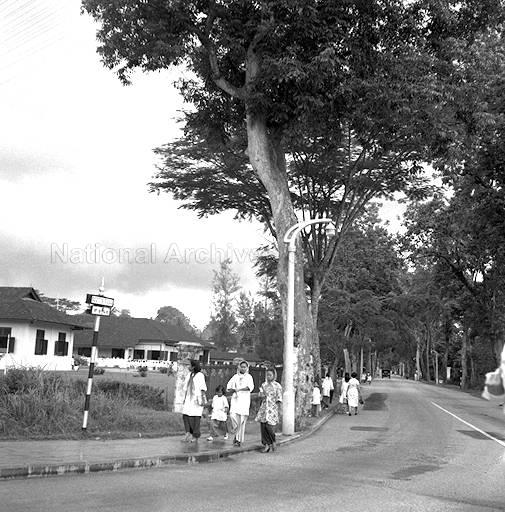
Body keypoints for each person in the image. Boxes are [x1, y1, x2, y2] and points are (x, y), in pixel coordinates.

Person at [227, 360, 254, 447]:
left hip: (244, 400)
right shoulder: (235, 377)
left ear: (247, 368)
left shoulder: (249, 377)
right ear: (239, 367)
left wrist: (240, 389)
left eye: (244, 367)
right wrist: (233, 390)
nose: (243, 368)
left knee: (242, 420)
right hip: (235, 400)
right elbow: (228, 387)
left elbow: (250, 387)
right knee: (233, 415)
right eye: (241, 366)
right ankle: (236, 432)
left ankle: (238, 439)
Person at [255, 368, 282, 452]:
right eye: (267, 375)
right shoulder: (264, 385)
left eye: (270, 375)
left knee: (270, 426)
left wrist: (279, 409)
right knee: (263, 426)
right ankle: (266, 445)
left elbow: (279, 398)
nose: (268, 377)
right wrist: (261, 395)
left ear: (274, 375)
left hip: (272, 408)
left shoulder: (277, 386)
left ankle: (273, 441)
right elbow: (260, 395)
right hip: (264, 407)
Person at [181, 360, 207, 442]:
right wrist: (184, 398)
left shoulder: (200, 375)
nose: (188, 367)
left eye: (189, 365)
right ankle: (188, 433)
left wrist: (202, 400)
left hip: (197, 399)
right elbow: (185, 387)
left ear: (193, 366)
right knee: (186, 416)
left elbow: (202, 388)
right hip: (189, 398)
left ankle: (195, 436)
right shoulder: (189, 375)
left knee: (195, 418)